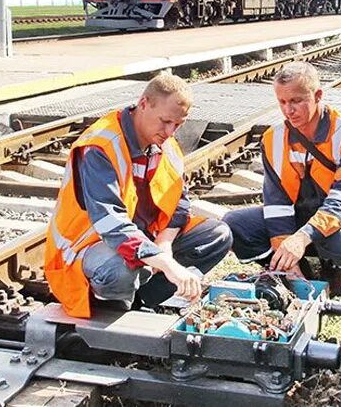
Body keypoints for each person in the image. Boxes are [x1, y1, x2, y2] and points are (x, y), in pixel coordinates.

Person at [45, 73, 233, 317]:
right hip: (88, 246)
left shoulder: (166, 145)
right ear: (143, 103)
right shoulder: (100, 145)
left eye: (178, 124)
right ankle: (113, 307)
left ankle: (142, 302)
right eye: (165, 121)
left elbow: (178, 203)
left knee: (217, 235)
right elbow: (110, 222)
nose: (170, 131)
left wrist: (164, 246)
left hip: (143, 240)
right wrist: (164, 262)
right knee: (120, 269)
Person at [224, 62, 341, 297]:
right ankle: (286, 268)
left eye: (296, 101)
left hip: (334, 218)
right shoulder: (273, 139)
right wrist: (285, 249)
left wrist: (302, 237)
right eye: (282, 102)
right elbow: (276, 201)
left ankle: (336, 269)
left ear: (318, 95)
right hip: (296, 214)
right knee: (234, 224)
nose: (289, 110)